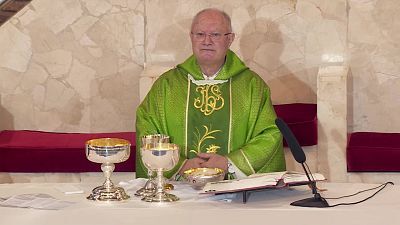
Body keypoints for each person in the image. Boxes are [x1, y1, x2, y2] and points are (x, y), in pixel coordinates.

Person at [136, 8, 285, 180]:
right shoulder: (167, 85)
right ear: (191, 37)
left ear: (230, 39)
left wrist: (229, 164)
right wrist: (180, 165)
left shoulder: (251, 85)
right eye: (200, 34)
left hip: (234, 194)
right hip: (179, 191)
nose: (206, 41)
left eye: (215, 35)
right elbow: (147, 128)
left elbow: (269, 133)